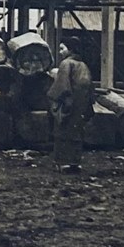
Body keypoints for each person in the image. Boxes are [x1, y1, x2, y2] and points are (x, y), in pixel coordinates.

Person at [47, 36, 95, 173]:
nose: (60, 51)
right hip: (81, 104)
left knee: (62, 132)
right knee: (77, 133)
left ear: (70, 49)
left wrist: (54, 98)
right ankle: (75, 162)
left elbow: (62, 86)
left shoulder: (66, 64)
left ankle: (63, 163)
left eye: (62, 48)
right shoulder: (84, 65)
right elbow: (90, 87)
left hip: (68, 104)